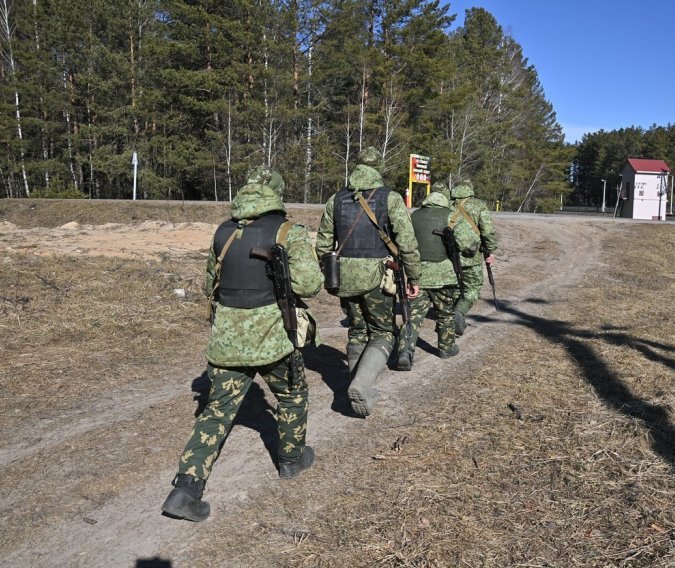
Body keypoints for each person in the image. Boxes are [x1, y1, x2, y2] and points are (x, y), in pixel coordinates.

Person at [161, 167, 323, 522]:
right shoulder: (288, 232)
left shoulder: (223, 232)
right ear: (277, 195)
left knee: (216, 412)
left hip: (226, 340)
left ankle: (185, 489)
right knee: (293, 395)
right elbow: (310, 285)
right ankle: (291, 459)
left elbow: (210, 286)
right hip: (273, 339)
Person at [316, 147, 420, 417]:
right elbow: (407, 242)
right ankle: (361, 385)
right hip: (377, 275)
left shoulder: (336, 199)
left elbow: (324, 244)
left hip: (344, 276)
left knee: (357, 331)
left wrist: (330, 273)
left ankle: (356, 386)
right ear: (379, 168)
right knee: (384, 331)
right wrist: (414, 276)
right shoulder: (390, 198)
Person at [396, 184, 480, 370]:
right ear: (445, 199)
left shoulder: (414, 216)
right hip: (444, 276)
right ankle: (446, 348)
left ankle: (405, 351)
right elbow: (469, 245)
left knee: (413, 315)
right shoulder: (451, 216)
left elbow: (403, 241)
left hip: (417, 274)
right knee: (445, 313)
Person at [449, 178, 498, 335]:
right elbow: (487, 231)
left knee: (457, 286)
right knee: (473, 288)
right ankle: (459, 312)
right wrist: (490, 250)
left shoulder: (447, 203)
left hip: (450, 254)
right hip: (472, 256)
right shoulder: (479, 205)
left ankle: (452, 315)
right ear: (470, 189)